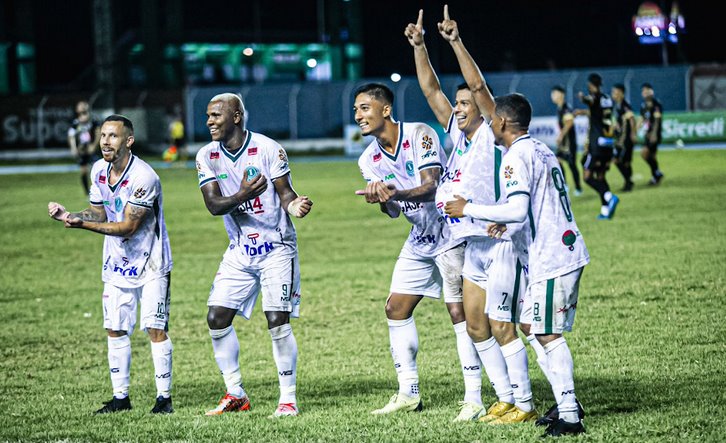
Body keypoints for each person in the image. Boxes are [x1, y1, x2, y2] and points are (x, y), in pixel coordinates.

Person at [406, 7, 537, 425]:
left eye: (465, 103)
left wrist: (454, 41)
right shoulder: (456, 136)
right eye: (457, 103)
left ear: (484, 111)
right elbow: (430, 91)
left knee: (504, 326)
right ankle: (503, 398)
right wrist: (420, 47)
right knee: (477, 326)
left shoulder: (488, 136)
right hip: (470, 244)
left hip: (498, 241)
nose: (459, 108)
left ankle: (526, 401)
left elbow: (479, 85)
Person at [444, 93, 589, 437]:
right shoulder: (540, 148)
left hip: (551, 256)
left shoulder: (513, 157)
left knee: (547, 334)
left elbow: (517, 208)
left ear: (504, 123)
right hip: (559, 249)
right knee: (530, 325)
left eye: (493, 120)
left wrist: (469, 209)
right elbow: (539, 203)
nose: (490, 124)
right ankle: (564, 403)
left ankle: (570, 414)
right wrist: (507, 226)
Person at [353, 82, 479, 419]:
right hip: (420, 237)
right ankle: (408, 392)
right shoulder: (368, 159)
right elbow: (393, 211)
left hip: (450, 231)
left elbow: (432, 187)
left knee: (459, 313)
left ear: (386, 110)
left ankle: (474, 397)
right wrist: (381, 200)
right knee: (395, 308)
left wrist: (395, 194)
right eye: (356, 110)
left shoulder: (420, 134)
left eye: (365, 108)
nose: (358, 116)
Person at [48, 114, 174, 414]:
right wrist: (70, 215)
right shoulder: (98, 171)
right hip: (117, 263)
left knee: (155, 328)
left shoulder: (144, 177)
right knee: (115, 328)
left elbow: (129, 226)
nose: (105, 141)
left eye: (113, 136)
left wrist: (81, 226)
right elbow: (98, 212)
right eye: (103, 135)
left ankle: (163, 399)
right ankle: (121, 399)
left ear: (128, 141)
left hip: (151, 263)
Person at [196, 93, 312, 418]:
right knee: (216, 318)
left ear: (236, 116)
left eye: (216, 115)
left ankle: (287, 399)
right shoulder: (207, 156)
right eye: (208, 116)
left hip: (277, 247)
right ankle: (235, 393)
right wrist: (244, 193)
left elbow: (286, 193)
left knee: (277, 320)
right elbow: (213, 206)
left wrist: (295, 206)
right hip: (240, 250)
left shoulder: (268, 148)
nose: (210, 121)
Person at [578, 73, 620, 220]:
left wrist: (582, 97)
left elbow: (589, 100)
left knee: (587, 176)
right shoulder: (607, 99)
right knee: (601, 176)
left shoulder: (594, 97)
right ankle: (605, 211)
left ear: (591, 85)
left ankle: (609, 197)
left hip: (596, 144)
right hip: (608, 143)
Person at [550, 85, 583, 196]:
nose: (553, 96)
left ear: (561, 95)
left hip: (569, 143)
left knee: (572, 164)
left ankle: (578, 188)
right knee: (557, 161)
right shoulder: (560, 108)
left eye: (555, 94)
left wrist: (561, 135)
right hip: (563, 143)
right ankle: (564, 185)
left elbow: (569, 122)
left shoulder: (566, 108)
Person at [67, 100, 101, 195]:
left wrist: (94, 146)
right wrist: (74, 148)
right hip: (82, 150)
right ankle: (87, 193)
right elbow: (71, 136)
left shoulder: (93, 121)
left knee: (97, 170)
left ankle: (100, 191)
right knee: (84, 171)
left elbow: (98, 133)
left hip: (92, 149)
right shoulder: (76, 123)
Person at [611, 84, 637, 192]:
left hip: (625, 139)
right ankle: (628, 182)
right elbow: (621, 121)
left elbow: (631, 119)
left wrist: (633, 134)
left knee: (617, 160)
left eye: (616, 92)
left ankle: (629, 181)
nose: (614, 95)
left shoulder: (625, 105)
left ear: (621, 93)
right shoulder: (618, 106)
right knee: (625, 162)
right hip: (620, 139)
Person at [639, 83, 664, 185]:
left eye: (647, 90)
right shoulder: (643, 105)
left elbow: (657, 120)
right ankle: (655, 176)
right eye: (643, 91)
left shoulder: (656, 104)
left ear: (651, 92)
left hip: (654, 134)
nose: (645, 93)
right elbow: (643, 119)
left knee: (644, 153)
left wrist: (654, 134)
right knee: (652, 156)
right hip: (648, 134)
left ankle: (657, 172)